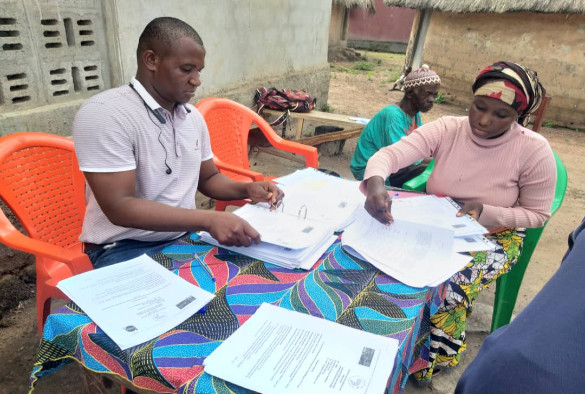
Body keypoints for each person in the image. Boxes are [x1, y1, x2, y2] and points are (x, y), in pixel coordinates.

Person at [361, 61, 557, 383]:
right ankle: (390, 334)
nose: (483, 120)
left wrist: (486, 211)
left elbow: (537, 214)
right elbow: (389, 155)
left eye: (501, 115)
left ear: (518, 116)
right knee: (384, 259)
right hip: (437, 220)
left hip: (496, 233)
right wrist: (376, 183)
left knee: (451, 284)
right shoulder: (448, 128)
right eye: (479, 107)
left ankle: (437, 354)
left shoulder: (533, 150)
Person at [73, 17, 283, 268]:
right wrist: (206, 219)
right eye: (186, 69)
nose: (196, 80)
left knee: (262, 273)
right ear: (151, 60)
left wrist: (246, 189)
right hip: (123, 247)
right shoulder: (106, 113)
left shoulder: (191, 117)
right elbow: (119, 207)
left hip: (184, 237)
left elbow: (208, 179)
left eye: (199, 71)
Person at [456, 216, 585, 394]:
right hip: (501, 368)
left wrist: (485, 211)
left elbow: (537, 213)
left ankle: (441, 355)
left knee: (452, 289)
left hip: (500, 235)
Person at [350, 65, 440, 187]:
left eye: (434, 95)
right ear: (409, 93)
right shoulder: (393, 116)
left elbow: (421, 144)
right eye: (427, 94)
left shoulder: (415, 114)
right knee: (432, 172)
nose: (431, 99)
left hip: (392, 164)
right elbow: (405, 155)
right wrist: (438, 160)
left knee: (434, 169)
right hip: (369, 168)